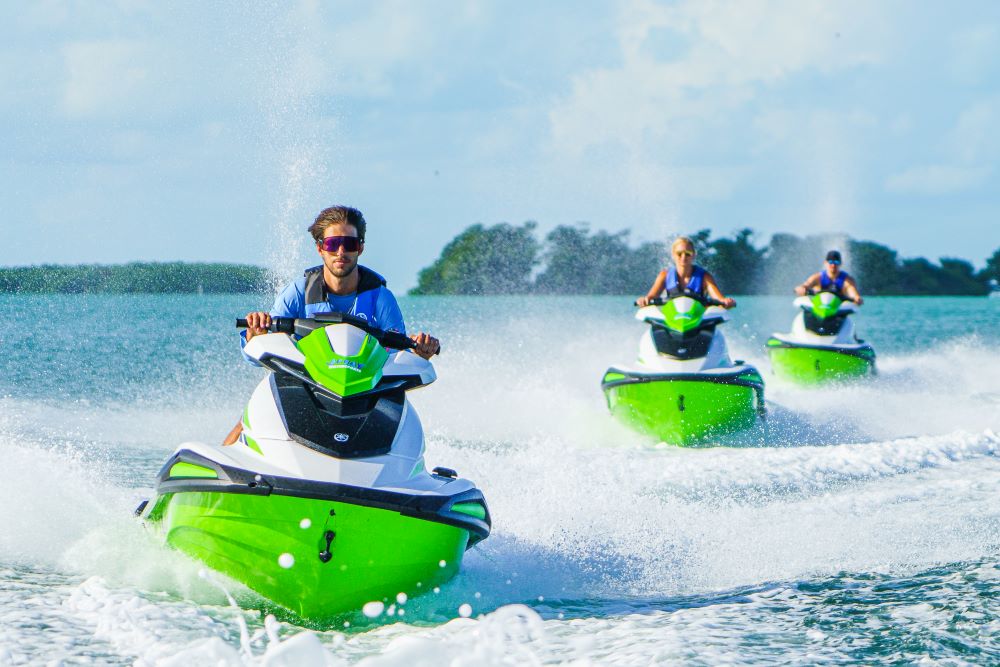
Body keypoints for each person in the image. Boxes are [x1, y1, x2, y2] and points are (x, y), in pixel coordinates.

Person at [223, 205, 440, 445]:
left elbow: (395, 357)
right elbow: (258, 353)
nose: (340, 251)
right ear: (320, 248)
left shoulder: (380, 297)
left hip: (364, 393)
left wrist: (419, 354)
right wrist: (256, 334)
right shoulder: (298, 291)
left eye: (349, 244)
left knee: (402, 421)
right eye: (332, 243)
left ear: (360, 248)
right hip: (303, 385)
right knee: (254, 411)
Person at [636, 236, 736, 308]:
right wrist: (644, 300)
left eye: (687, 254)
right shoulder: (664, 275)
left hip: (698, 322)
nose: (683, 257)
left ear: (693, 255)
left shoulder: (705, 277)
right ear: (673, 255)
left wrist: (726, 302)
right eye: (679, 254)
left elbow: (719, 299)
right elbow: (651, 297)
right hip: (673, 321)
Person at [795, 250, 863, 304]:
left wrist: (856, 298)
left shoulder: (847, 280)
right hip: (819, 308)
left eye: (836, 262)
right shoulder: (817, 277)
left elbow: (852, 292)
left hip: (838, 312)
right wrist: (801, 289)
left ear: (840, 263)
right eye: (830, 262)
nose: (833, 265)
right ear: (825, 263)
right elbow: (805, 285)